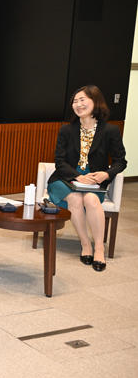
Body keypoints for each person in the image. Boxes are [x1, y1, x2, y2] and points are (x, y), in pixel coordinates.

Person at [47, 85, 127, 272]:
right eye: (75, 101)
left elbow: (121, 161)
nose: (78, 104)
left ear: (95, 101)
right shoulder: (66, 130)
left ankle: (99, 248)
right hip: (65, 178)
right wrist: (77, 176)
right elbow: (59, 162)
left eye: (82, 100)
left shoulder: (110, 131)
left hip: (94, 181)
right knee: (75, 198)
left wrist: (107, 174)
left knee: (90, 199)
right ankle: (85, 245)